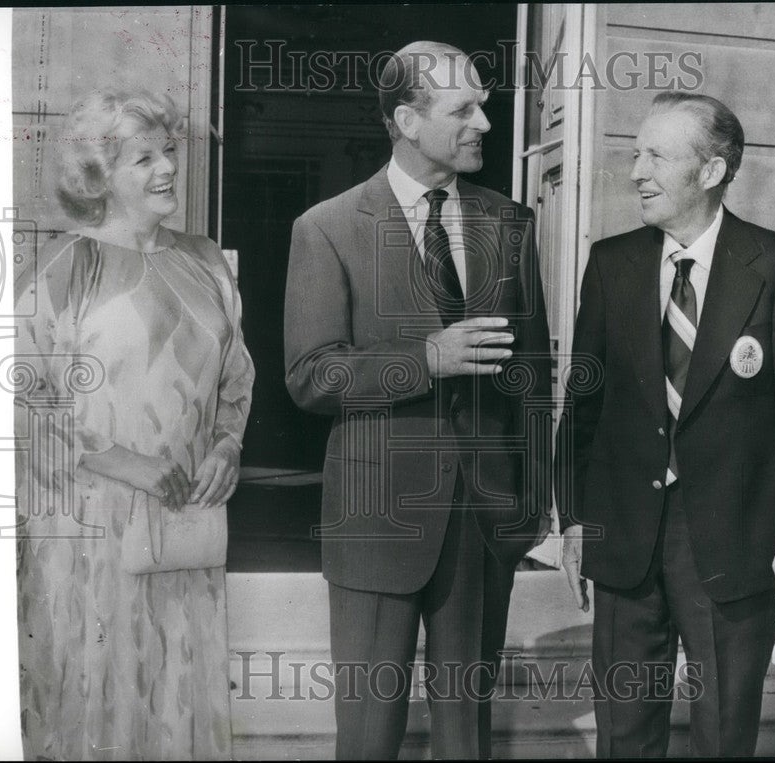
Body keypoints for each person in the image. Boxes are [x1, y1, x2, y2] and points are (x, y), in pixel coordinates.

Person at [284, 41, 552, 760]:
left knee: (467, 735)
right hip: (376, 521)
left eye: (483, 107)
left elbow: (533, 377)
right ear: (407, 120)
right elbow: (310, 375)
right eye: (463, 110)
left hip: (484, 519)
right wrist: (425, 359)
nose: (484, 124)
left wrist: (534, 502)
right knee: (369, 736)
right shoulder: (327, 227)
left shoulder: (509, 223)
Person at [554, 92, 775, 757]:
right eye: (636, 154)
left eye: (656, 156)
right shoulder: (612, 261)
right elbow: (583, 404)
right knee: (623, 735)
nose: (636, 173)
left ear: (711, 171)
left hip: (731, 541)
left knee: (723, 732)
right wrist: (574, 518)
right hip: (624, 536)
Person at [14, 89, 254, 760]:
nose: (168, 168)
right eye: (143, 158)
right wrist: (129, 463)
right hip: (89, 528)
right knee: (97, 698)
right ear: (100, 175)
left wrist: (227, 446)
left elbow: (237, 376)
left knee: (174, 693)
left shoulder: (206, 260)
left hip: (184, 521)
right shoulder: (63, 267)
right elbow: (23, 396)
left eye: (168, 151)